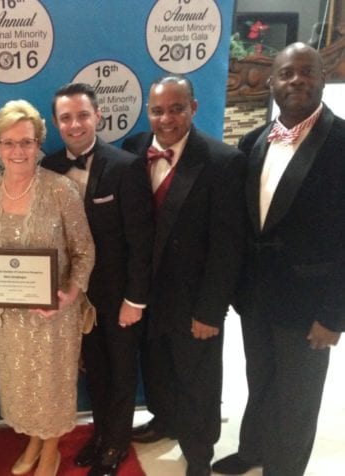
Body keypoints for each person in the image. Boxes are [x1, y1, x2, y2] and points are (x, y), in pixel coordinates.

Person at [212, 43, 345, 476]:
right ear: (272, 82)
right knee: (262, 381)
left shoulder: (342, 143)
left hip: (311, 307)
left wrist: (334, 315)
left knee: (298, 398)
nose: (297, 80)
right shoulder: (253, 142)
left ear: (323, 79)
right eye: (287, 73)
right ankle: (254, 452)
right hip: (257, 299)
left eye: (307, 72)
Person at [122, 75, 246, 476]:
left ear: (193, 108)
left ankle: (198, 453)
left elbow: (228, 247)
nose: (167, 118)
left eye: (177, 108)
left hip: (194, 301)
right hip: (146, 294)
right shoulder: (134, 148)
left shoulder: (222, 161)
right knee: (157, 367)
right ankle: (164, 420)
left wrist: (211, 312)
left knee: (198, 380)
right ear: (148, 112)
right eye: (158, 110)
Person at [0, 99, 94, 476]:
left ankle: (50, 450)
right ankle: (35, 440)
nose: (17, 151)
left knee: (52, 389)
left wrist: (71, 294)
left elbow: (84, 251)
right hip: (6, 319)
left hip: (53, 316)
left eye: (26, 142)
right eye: (8, 143)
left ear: (39, 143)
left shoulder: (61, 190)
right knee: (22, 388)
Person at [41, 83, 154, 476]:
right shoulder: (48, 168)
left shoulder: (125, 166)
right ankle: (101, 434)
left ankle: (117, 444)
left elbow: (142, 241)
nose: (75, 124)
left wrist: (135, 300)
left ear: (98, 116)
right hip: (75, 297)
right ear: (56, 123)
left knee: (122, 372)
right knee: (96, 372)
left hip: (118, 295)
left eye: (82, 115)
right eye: (66, 117)